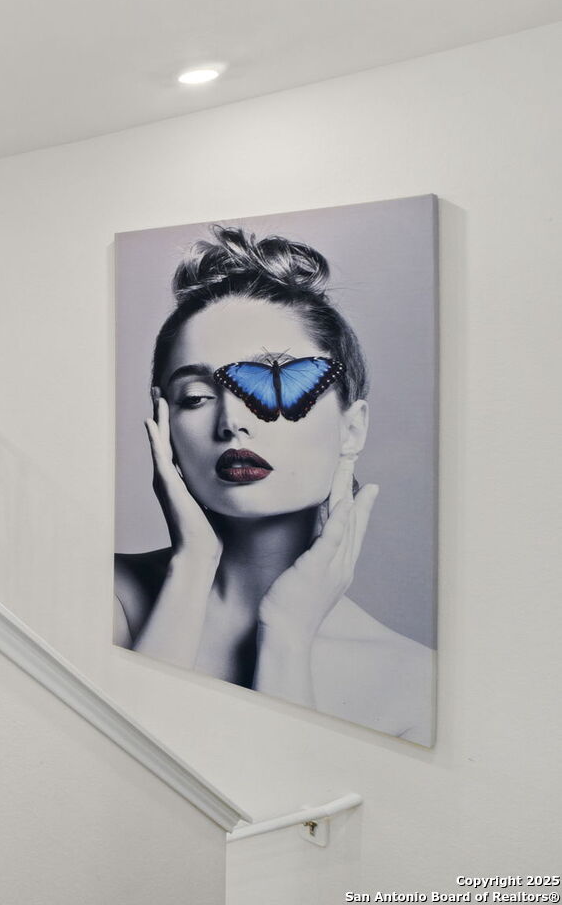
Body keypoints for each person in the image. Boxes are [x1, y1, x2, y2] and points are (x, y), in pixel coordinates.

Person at [114, 225, 432, 743]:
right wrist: (192, 565)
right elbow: (121, 779)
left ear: (352, 429)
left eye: (270, 380)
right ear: (162, 423)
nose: (233, 420)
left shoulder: (412, 683)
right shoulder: (108, 598)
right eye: (195, 396)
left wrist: (286, 634)